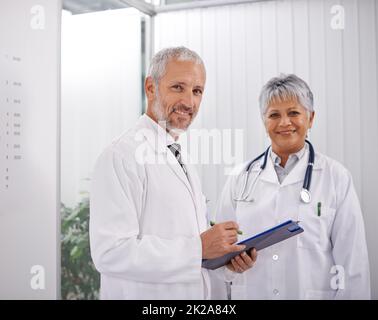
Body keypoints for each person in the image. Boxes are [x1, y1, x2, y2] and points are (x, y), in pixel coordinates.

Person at [89, 46, 247, 300]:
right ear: (150, 87)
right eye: (178, 87)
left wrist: (222, 258)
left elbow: (188, 243)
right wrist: (199, 249)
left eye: (197, 91)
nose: (189, 102)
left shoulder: (179, 155)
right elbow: (110, 253)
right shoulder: (121, 156)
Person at [214, 74, 370, 299]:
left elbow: (353, 266)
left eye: (294, 113)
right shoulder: (240, 178)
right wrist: (230, 267)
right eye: (274, 115)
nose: (284, 122)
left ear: (311, 118)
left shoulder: (336, 177)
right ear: (264, 121)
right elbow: (220, 259)